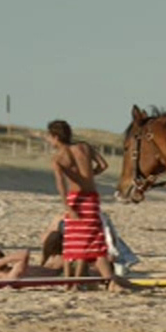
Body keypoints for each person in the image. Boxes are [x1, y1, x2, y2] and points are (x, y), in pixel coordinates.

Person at [45, 120, 118, 283]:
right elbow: (103, 165)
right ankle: (84, 280)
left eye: (49, 137)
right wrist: (89, 175)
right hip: (92, 198)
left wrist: (68, 207)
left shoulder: (58, 158)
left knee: (73, 243)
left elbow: (61, 185)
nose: (48, 140)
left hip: (76, 199)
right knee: (92, 240)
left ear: (56, 137)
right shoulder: (85, 147)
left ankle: (72, 281)